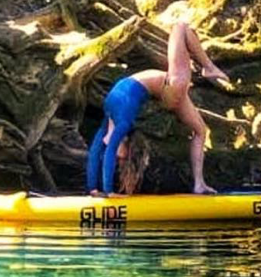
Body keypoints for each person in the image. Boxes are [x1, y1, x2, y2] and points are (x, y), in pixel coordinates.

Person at [86, 22, 229, 197]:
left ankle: (199, 184)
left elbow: (97, 150)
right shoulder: (123, 122)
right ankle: (208, 67)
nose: (118, 159)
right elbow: (107, 149)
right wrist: (108, 192)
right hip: (170, 86)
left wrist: (94, 189)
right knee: (180, 27)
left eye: (118, 159)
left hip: (168, 89)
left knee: (200, 130)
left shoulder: (110, 121)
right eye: (121, 160)